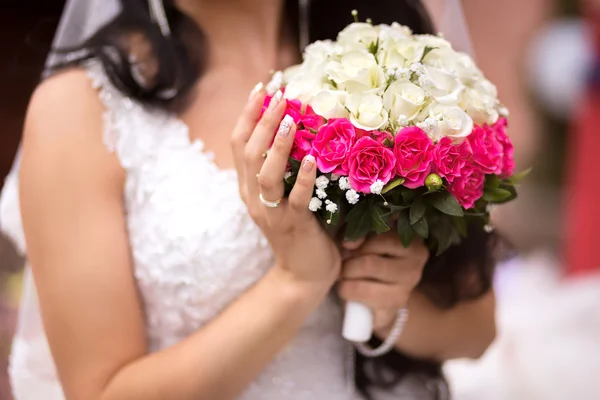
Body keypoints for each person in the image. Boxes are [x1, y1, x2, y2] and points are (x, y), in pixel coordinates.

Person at [0, 1, 497, 399]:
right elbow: (100, 392)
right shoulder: (82, 108)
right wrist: (295, 283)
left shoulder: (392, 68)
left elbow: (478, 330)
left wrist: (389, 309)